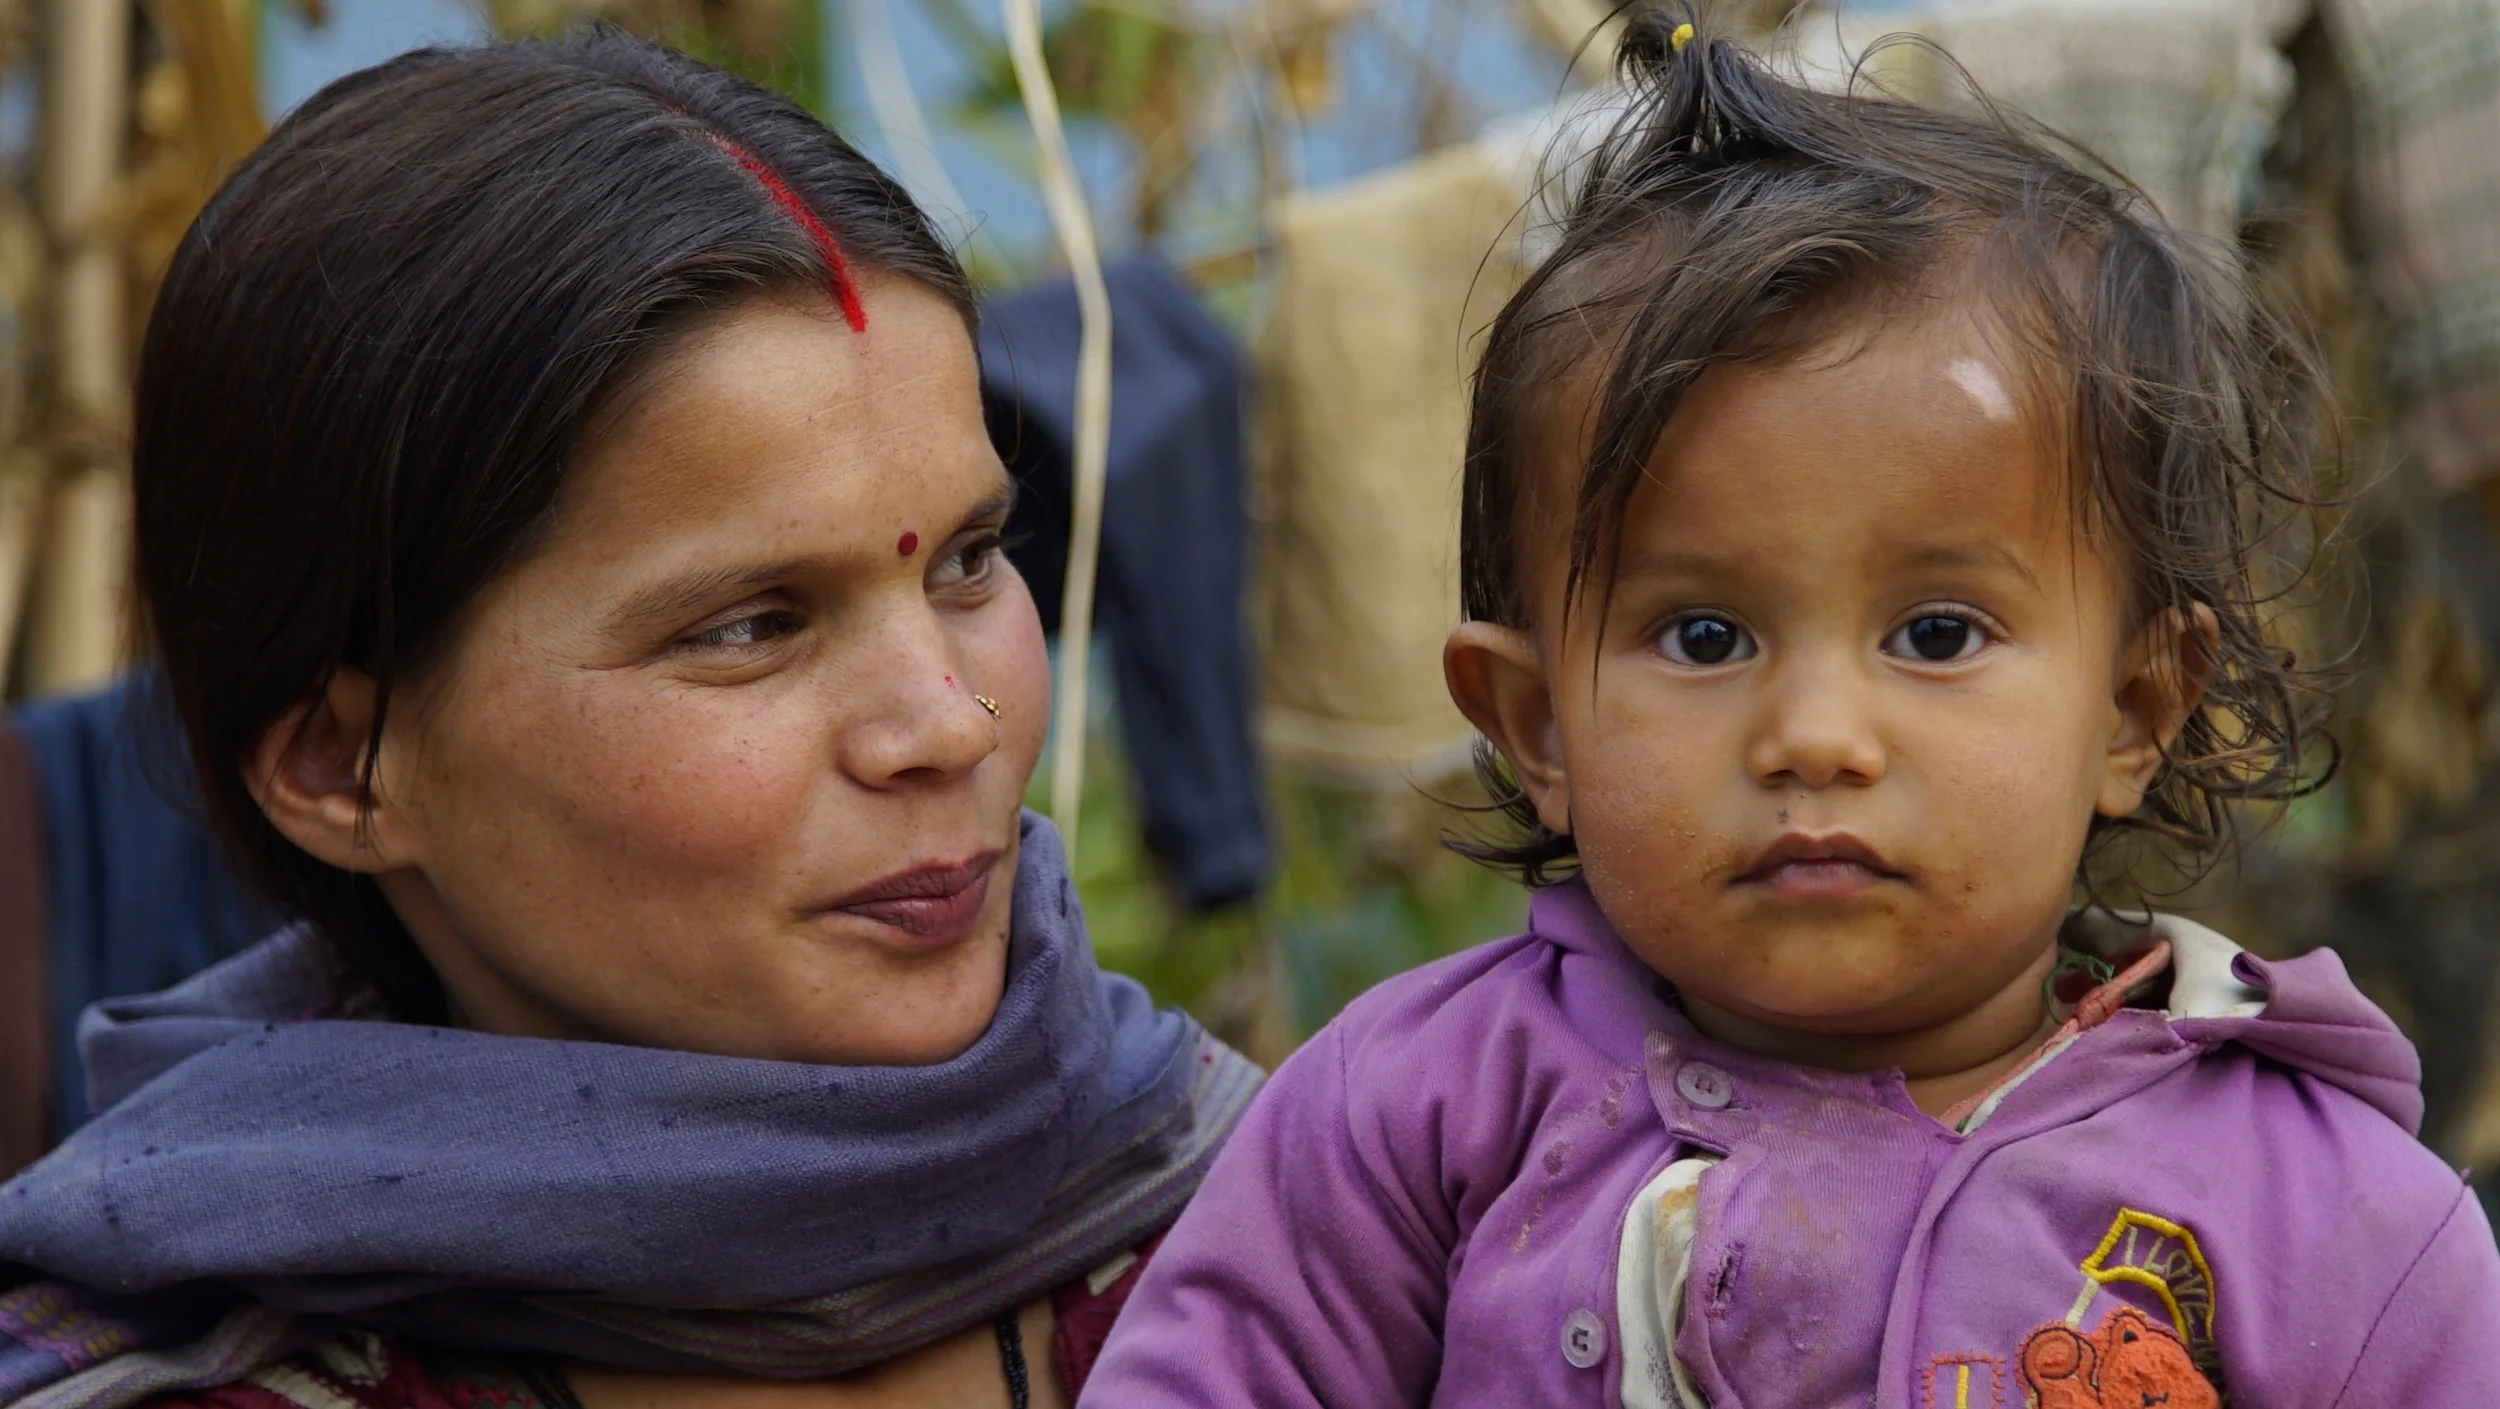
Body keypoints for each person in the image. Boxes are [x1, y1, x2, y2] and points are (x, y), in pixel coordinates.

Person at [1083, 12, 2500, 1406]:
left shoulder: (2332, 1227)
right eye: (1704, 638)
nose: (1817, 736)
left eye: (1937, 634)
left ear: (2133, 710)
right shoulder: (1420, 1112)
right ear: (1536, 723)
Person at [0, 28, 1261, 1409]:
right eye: (751, 626)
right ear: (343, 766)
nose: (951, 727)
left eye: (967, 559)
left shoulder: (1323, 1235)